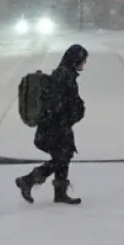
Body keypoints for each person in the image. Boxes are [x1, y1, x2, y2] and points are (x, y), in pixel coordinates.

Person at [17, 44, 87, 206]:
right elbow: (60, 102)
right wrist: (74, 110)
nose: (84, 64)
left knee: (63, 156)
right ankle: (28, 180)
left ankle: (59, 193)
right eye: (83, 61)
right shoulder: (64, 76)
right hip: (55, 127)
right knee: (62, 158)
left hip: (56, 126)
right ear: (75, 60)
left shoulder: (64, 74)